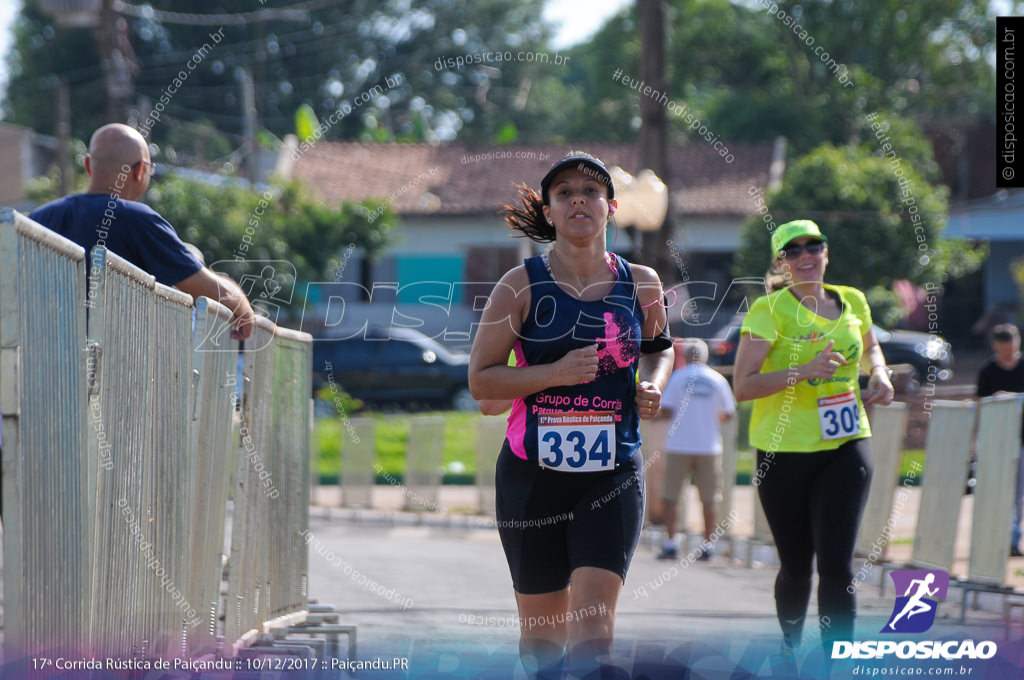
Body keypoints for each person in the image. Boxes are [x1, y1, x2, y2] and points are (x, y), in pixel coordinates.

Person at [468, 152, 673, 679]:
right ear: (550, 210)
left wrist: (652, 382)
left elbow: (659, 347)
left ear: (612, 207)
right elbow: (483, 384)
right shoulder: (520, 285)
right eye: (564, 192)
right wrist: (555, 373)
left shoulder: (642, 281)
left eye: (591, 191)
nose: (578, 199)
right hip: (532, 479)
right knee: (542, 646)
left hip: (610, 477)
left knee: (594, 634)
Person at [732, 219, 894, 657]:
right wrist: (802, 372)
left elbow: (871, 347)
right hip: (783, 451)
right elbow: (743, 386)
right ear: (780, 263)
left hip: (846, 442)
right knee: (797, 566)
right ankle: (789, 647)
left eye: (814, 247)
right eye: (793, 251)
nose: (805, 257)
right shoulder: (769, 311)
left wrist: (879, 372)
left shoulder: (853, 300)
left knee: (838, 565)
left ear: (826, 252)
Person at [30, 123, 254, 340]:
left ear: (88, 166)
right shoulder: (140, 221)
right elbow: (211, 291)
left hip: (40, 368)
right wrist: (245, 310)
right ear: (139, 171)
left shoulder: (37, 220)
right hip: (115, 372)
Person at [656, 338, 736, 561]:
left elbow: (667, 410)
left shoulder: (678, 378)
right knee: (710, 497)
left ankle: (672, 542)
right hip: (708, 446)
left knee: (671, 495)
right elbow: (729, 413)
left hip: (679, 444)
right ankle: (708, 544)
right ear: (705, 356)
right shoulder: (717, 380)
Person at [976, 323, 1024, 557]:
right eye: (1003, 348)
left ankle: (1013, 539)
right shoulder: (988, 371)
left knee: (1018, 493)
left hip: (1021, 438)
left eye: (1011, 347)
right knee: (997, 491)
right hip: (997, 439)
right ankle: (998, 537)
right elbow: (979, 405)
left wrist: (1013, 398)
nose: (1008, 352)